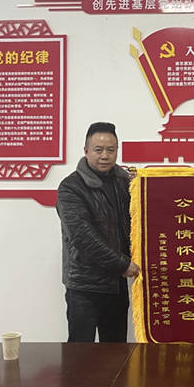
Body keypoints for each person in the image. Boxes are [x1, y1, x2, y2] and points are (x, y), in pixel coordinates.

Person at [56, 122, 140, 342]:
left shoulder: (125, 183)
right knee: (80, 352)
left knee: (116, 351)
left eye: (110, 150)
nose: (105, 156)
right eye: (98, 150)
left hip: (116, 285)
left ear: (117, 151)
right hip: (85, 286)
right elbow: (83, 237)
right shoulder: (70, 187)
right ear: (86, 151)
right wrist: (122, 264)